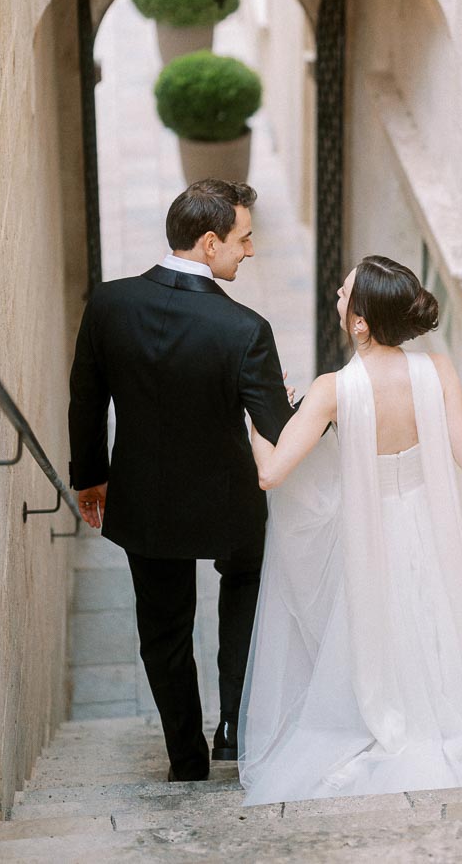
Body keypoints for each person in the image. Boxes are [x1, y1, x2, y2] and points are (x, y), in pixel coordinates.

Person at [239, 255, 462, 804]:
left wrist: (258, 425)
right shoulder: (439, 370)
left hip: (368, 534)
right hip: (430, 525)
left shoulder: (334, 389)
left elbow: (272, 474)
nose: (337, 291)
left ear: (360, 322)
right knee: (434, 618)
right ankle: (448, 716)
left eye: (345, 290)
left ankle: (391, 717)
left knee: (380, 623)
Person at [68, 179, 293, 782]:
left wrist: (90, 477)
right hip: (228, 502)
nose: (250, 251)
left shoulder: (109, 304)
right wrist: (307, 407)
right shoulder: (246, 330)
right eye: (244, 240)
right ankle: (233, 728)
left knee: (163, 629)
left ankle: (185, 760)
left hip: (144, 500)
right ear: (210, 241)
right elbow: (278, 427)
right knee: (247, 581)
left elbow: (86, 399)